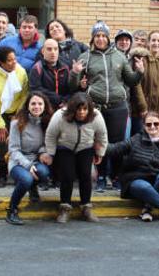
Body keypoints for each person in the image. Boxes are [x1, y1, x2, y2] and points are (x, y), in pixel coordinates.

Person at [71, 21, 143, 190]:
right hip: (96, 107)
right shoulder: (85, 57)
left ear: (108, 37)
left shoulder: (119, 56)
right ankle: (102, 176)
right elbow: (74, 86)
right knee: (99, 142)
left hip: (118, 106)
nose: (101, 39)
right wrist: (75, 73)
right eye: (97, 36)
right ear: (93, 38)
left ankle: (116, 176)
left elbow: (130, 80)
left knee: (117, 144)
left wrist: (139, 72)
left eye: (103, 35)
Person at [105, 111, 159, 222]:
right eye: (148, 124)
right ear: (144, 126)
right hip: (135, 180)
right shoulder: (136, 139)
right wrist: (99, 145)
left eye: (156, 124)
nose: (152, 127)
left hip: (158, 181)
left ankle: (147, 209)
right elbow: (115, 148)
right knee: (144, 186)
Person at [43, 92, 107, 223]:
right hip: (65, 147)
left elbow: (102, 135)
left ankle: (86, 207)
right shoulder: (60, 116)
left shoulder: (96, 116)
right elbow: (50, 135)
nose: (82, 112)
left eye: (85, 109)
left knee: (86, 176)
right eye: (79, 109)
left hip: (86, 147)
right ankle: (65, 208)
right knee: (67, 176)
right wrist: (51, 153)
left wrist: (100, 153)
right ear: (73, 109)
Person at [5, 92, 53, 225]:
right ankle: (12, 210)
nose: (36, 106)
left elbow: (45, 144)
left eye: (39, 104)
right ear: (27, 106)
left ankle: (33, 188)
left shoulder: (47, 122)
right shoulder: (16, 123)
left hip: (36, 159)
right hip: (18, 161)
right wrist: (27, 165)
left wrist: (43, 153)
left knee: (44, 172)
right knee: (26, 178)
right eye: (33, 103)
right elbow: (13, 150)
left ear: (44, 106)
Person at [0, 45, 29, 188]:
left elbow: (25, 94)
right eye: (9, 61)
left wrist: (18, 114)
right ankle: (2, 174)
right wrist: (0, 126)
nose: (14, 62)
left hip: (17, 112)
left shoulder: (20, 72)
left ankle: (17, 173)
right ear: (1, 63)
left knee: (17, 143)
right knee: (3, 143)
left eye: (14, 59)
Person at [29, 39, 75, 109]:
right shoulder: (37, 68)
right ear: (43, 51)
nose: (53, 52)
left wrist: (66, 100)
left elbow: (70, 88)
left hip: (64, 106)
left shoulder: (66, 67)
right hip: (45, 107)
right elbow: (36, 89)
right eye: (49, 49)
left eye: (56, 49)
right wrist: (59, 99)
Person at [139, 31, 159, 118]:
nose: (156, 43)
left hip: (158, 108)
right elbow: (137, 85)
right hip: (143, 109)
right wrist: (143, 106)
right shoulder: (142, 59)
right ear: (149, 42)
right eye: (153, 40)